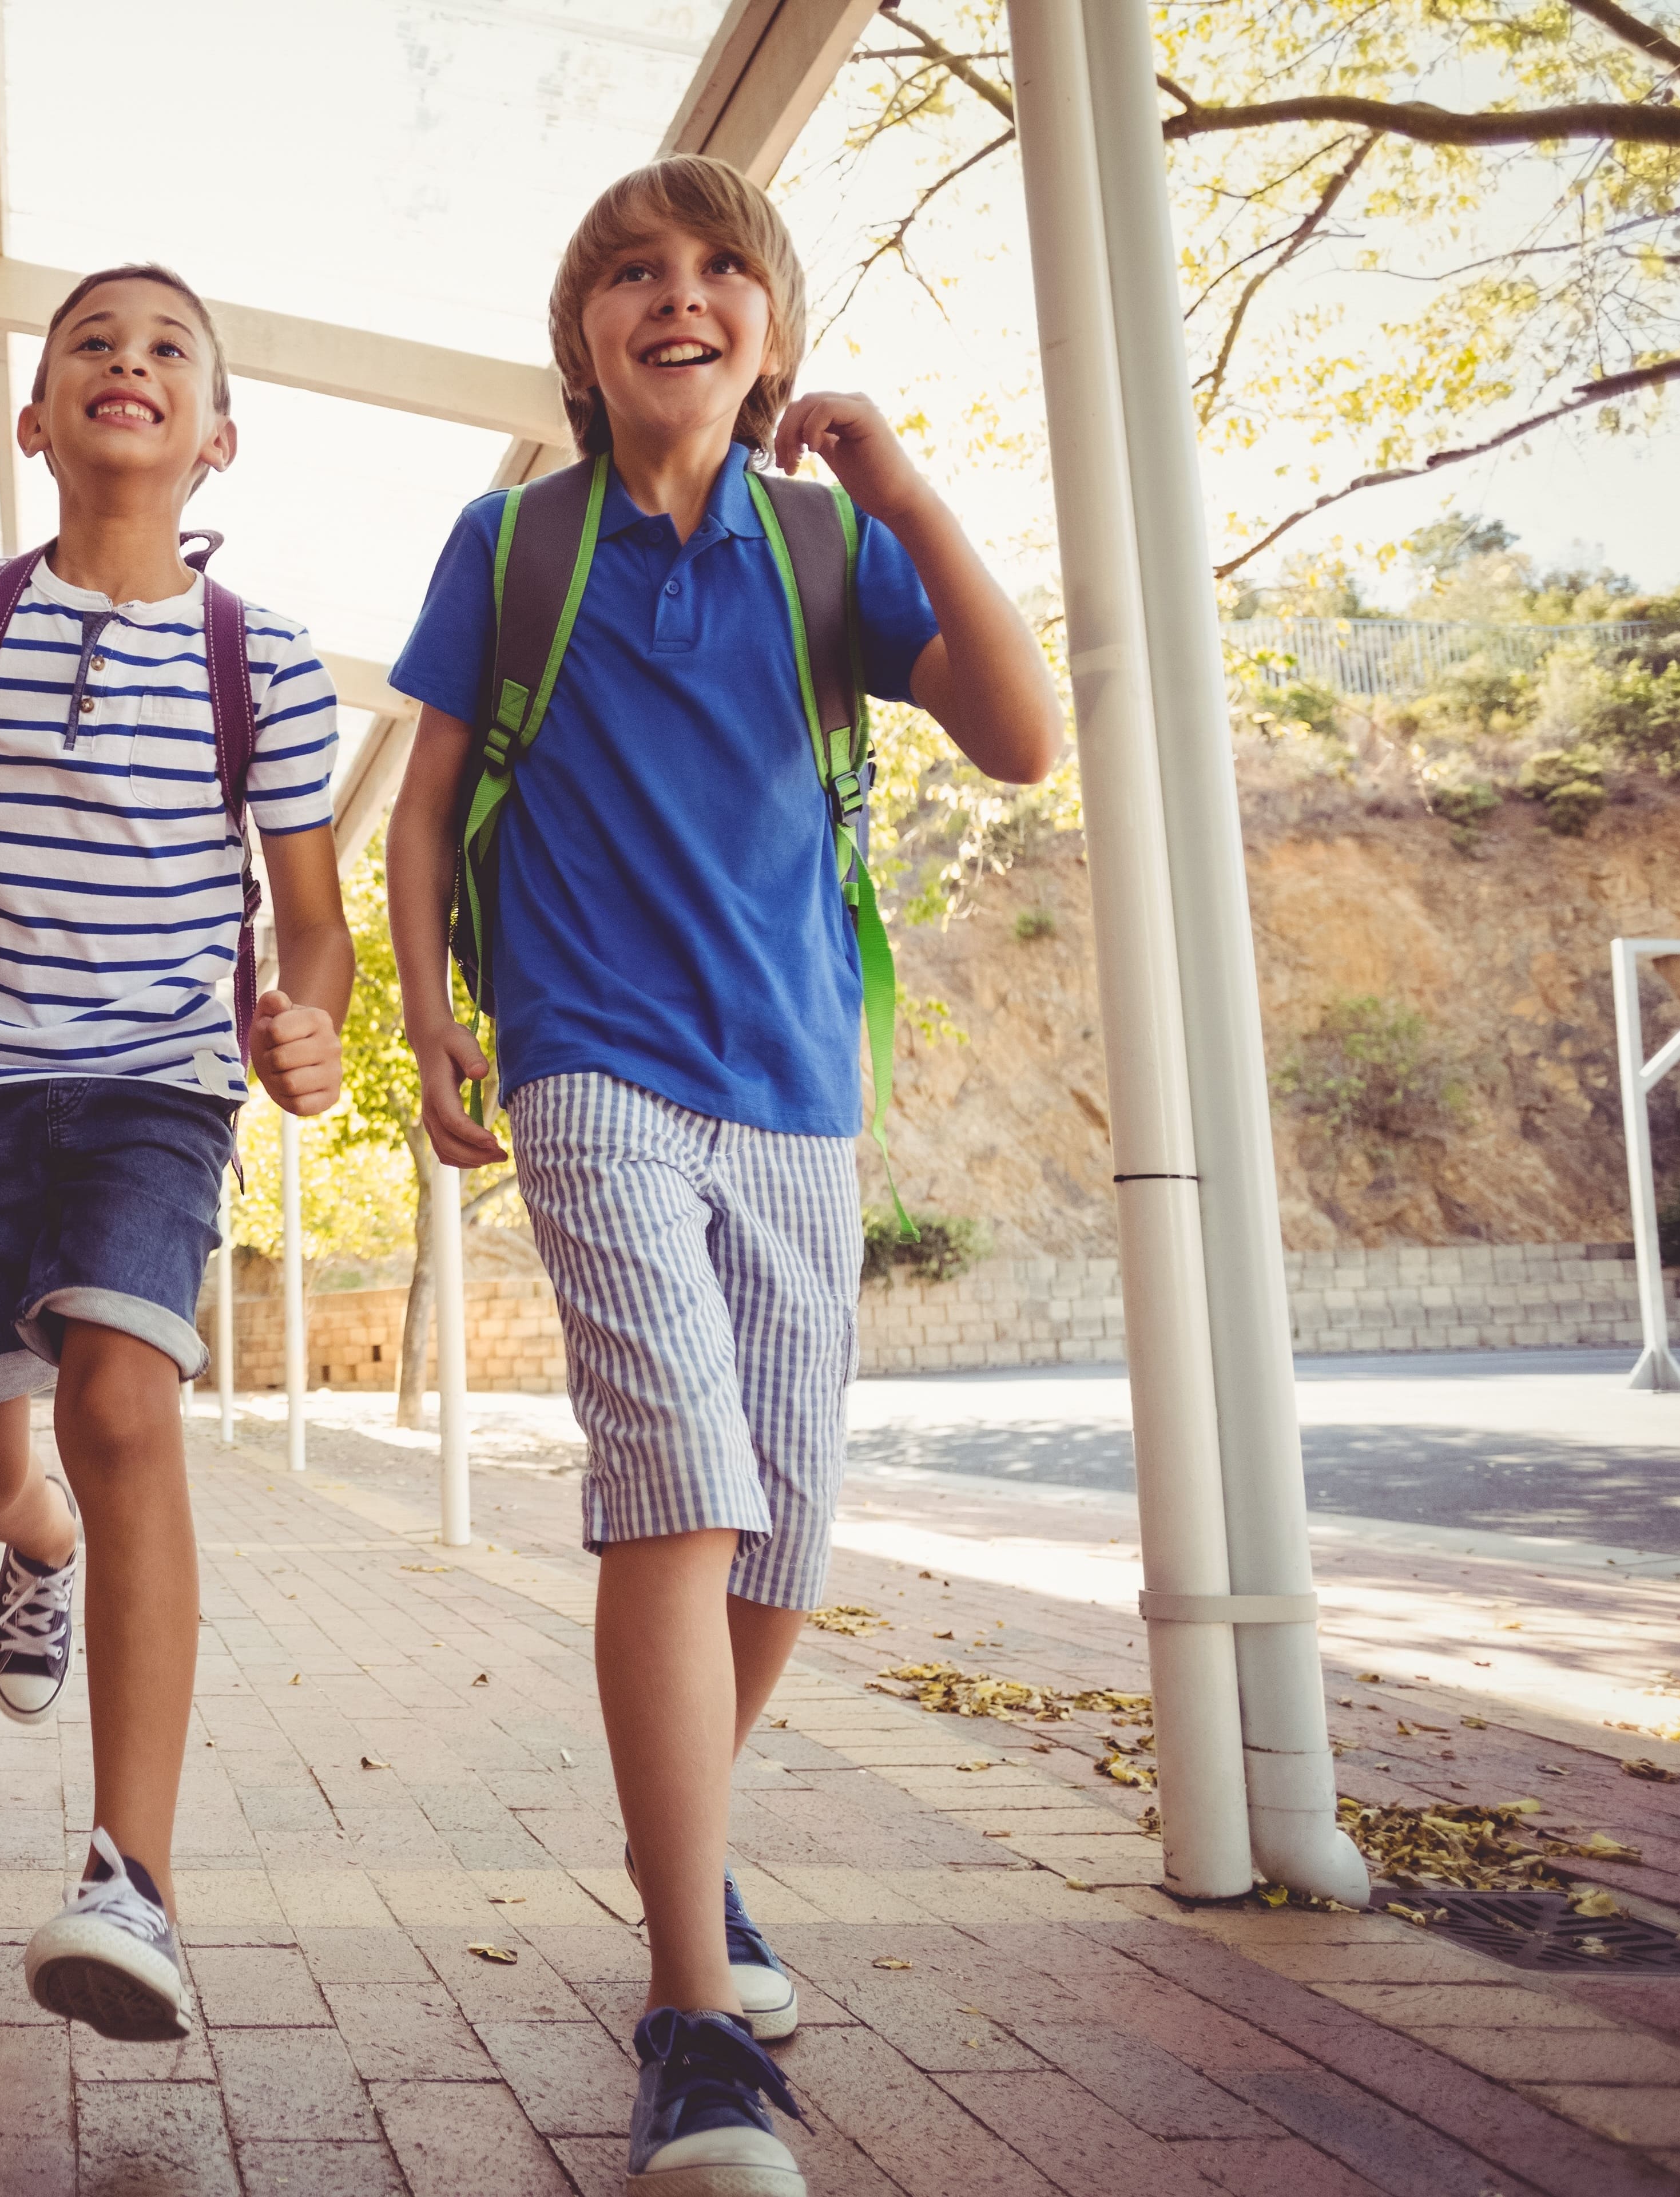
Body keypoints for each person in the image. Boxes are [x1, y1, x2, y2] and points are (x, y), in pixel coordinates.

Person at [382, 161, 1059, 2194]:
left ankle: (683, 1840)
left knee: (784, 1527)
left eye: (720, 270)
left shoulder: (833, 547)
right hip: (593, 1064)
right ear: (583, 338)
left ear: (768, 322)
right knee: (678, 1478)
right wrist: (433, 1022)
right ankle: (694, 2013)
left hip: (797, 1086)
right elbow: (423, 814)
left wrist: (912, 489)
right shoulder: (515, 542)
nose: (679, 297)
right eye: (633, 276)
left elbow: (1023, 743)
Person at [0, 265, 354, 2041]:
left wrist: (312, 1023)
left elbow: (312, 922)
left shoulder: (262, 657)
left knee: (122, 1401)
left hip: (151, 1088)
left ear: (218, 438)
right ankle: (30, 1545)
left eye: (170, 348)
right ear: (36, 418)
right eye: (91, 347)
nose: (131, 364)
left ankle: (136, 1878)